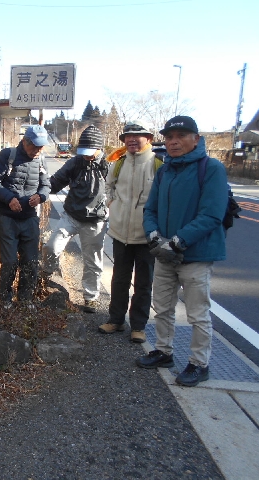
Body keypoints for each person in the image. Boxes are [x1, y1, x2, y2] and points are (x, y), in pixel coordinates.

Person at [136, 115, 228, 387]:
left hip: (196, 254)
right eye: (169, 137)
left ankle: (199, 364)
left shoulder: (211, 168)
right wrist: (153, 235)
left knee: (197, 314)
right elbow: (150, 208)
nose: (173, 142)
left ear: (196, 139)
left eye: (181, 136)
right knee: (162, 307)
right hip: (164, 253)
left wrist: (177, 241)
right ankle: (163, 351)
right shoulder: (165, 170)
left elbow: (212, 214)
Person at [98, 122, 160, 343]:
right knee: (119, 280)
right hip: (120, 232)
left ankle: (138, 326)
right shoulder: (119, 162)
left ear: (148, 139)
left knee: (143, 283)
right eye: (128, 137)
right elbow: (109, 186)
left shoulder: (157, 163)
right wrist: (112, 203)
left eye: (137, 136)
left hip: (146, 235)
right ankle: (115, 320)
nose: (132, 140)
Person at [42, 124, 108, 313]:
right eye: (83, 151)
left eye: (89, 152)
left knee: (92, 262)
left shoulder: (108, 165)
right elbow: (56, 182)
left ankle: (90, 297)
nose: (86, 155)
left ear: (99, 148)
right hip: (71, 216)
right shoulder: (75, 162)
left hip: (95, 221)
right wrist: (41, 188)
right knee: (51, 246)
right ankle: (47, 275)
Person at [0, 125, 51, 309]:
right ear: (24, 141)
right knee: (9, 262)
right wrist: (9, 199)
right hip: (7, 217)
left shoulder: (41, 160)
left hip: (30, 218)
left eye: (40, 147)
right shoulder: (8, 155)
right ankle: (4, 299)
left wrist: (41, 196)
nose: (37, 150)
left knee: (30, 261)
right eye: (34, 146)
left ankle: (25, 299)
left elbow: (46, 185)